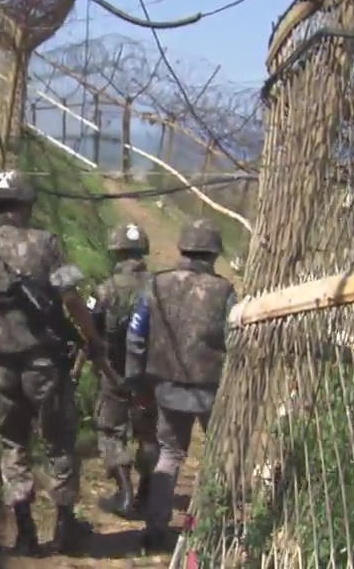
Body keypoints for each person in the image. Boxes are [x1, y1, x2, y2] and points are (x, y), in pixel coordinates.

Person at [0, 169, 107, 556]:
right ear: (27, 205)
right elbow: (72, 298)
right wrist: (93, 338)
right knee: (59, 442)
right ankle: (65, 529)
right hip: (45, 363)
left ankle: (25, 532)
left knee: (13, 444)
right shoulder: (47, 243)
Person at [124, 218, 236, 551]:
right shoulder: (224, 291)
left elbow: (135, 336)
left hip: (166, 386)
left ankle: (155, 529)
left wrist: (137, 381)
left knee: (170, 454)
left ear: (182, 248)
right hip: (212, 388)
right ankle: (209, 528)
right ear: (214, 254)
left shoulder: (155, 285)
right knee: (219, 456)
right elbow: (237, 338)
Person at [86, 223, 158, 519]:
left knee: (109, 432)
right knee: (149, 436)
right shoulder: (160, 287)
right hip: (151, 376)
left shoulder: (103, 290)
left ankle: (124, 491)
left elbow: (89, 329)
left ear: (115, 252)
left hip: (113, 373)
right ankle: (146, 493)